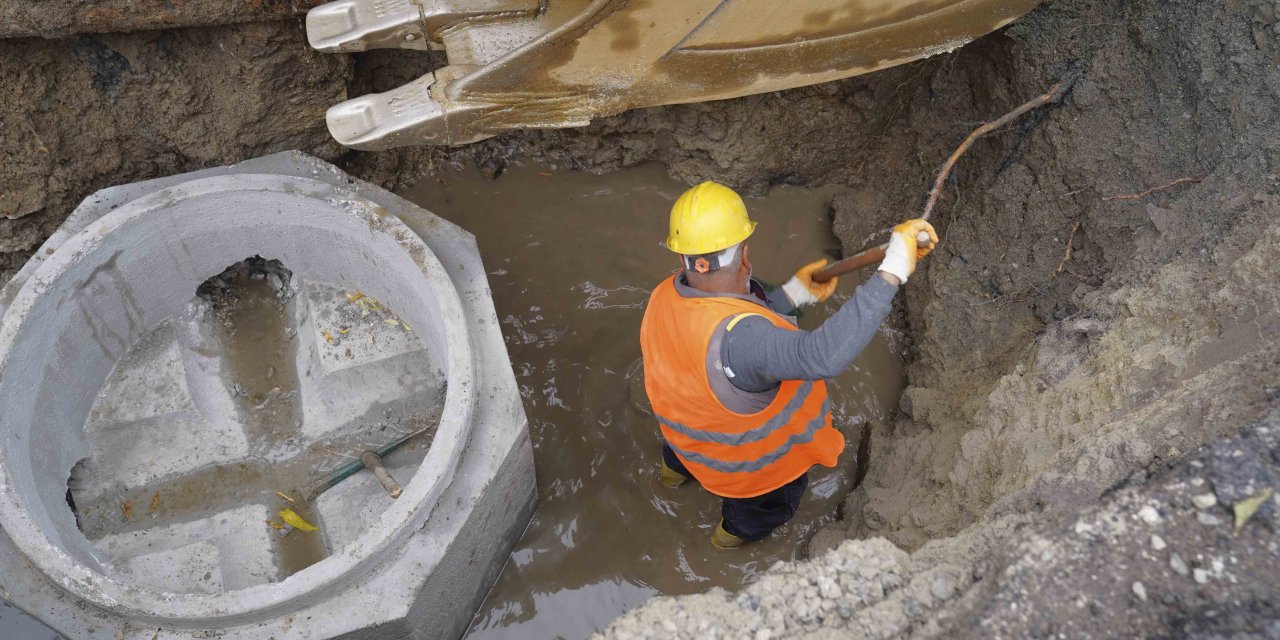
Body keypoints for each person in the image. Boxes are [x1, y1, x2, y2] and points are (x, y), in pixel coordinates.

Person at [638, 181, 937, 548]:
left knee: (678, 461)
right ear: (745, 256)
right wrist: (893, 270)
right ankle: (723, 544)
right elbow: (821, 356)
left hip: (684, 438)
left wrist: (795, 293)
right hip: (750, 474)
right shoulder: (743, 343)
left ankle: (668, 480)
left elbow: (733, 312)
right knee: (752, 518)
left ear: (684, 257)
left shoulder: (666, 295)